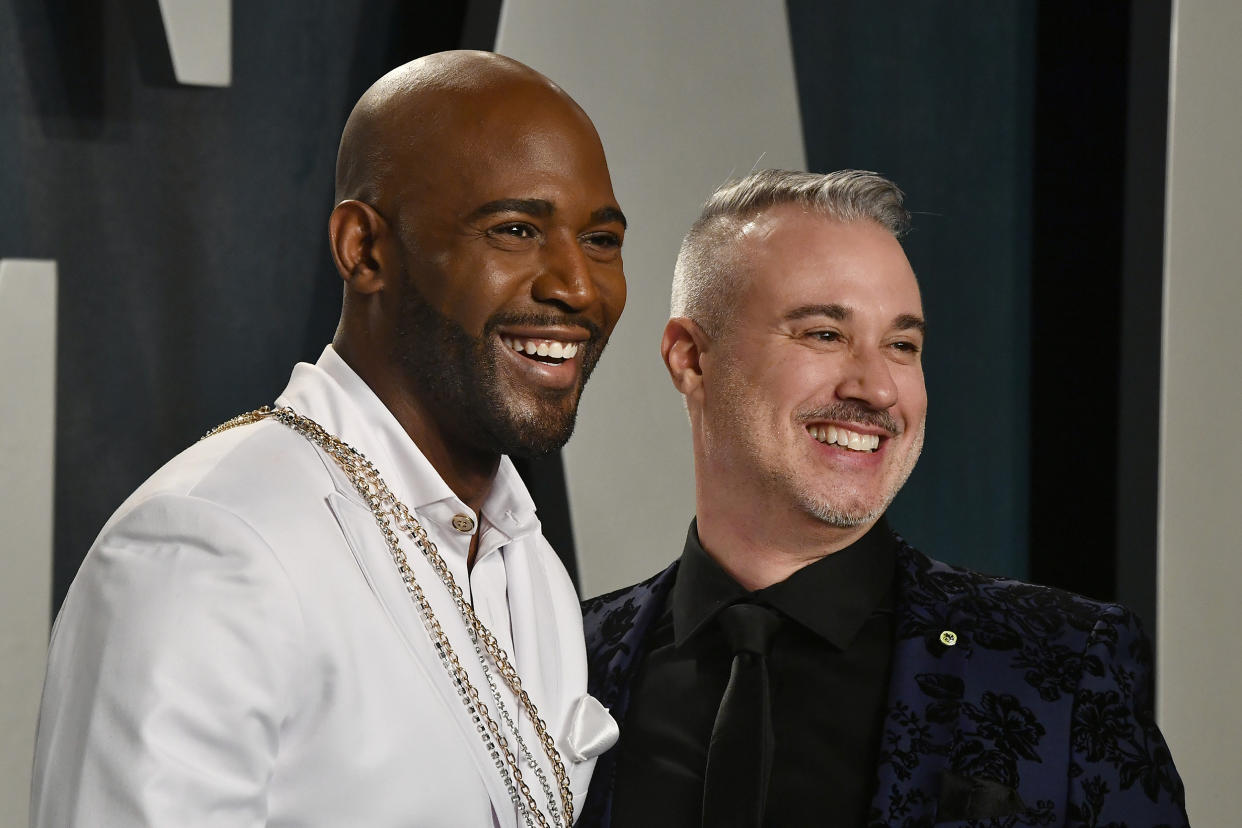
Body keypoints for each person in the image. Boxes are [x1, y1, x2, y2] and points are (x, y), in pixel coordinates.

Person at [32, 50, 626, 828]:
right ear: (364, 249)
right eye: (515, 230)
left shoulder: (528, 564)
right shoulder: (210, 543)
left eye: (602, 240)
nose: (576, 286)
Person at [580, 169, 1187, 827]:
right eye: (824, 334)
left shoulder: (1063, 666)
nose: (877, 388)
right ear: (692, 360)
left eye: (902, 345)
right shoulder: (562, 662)